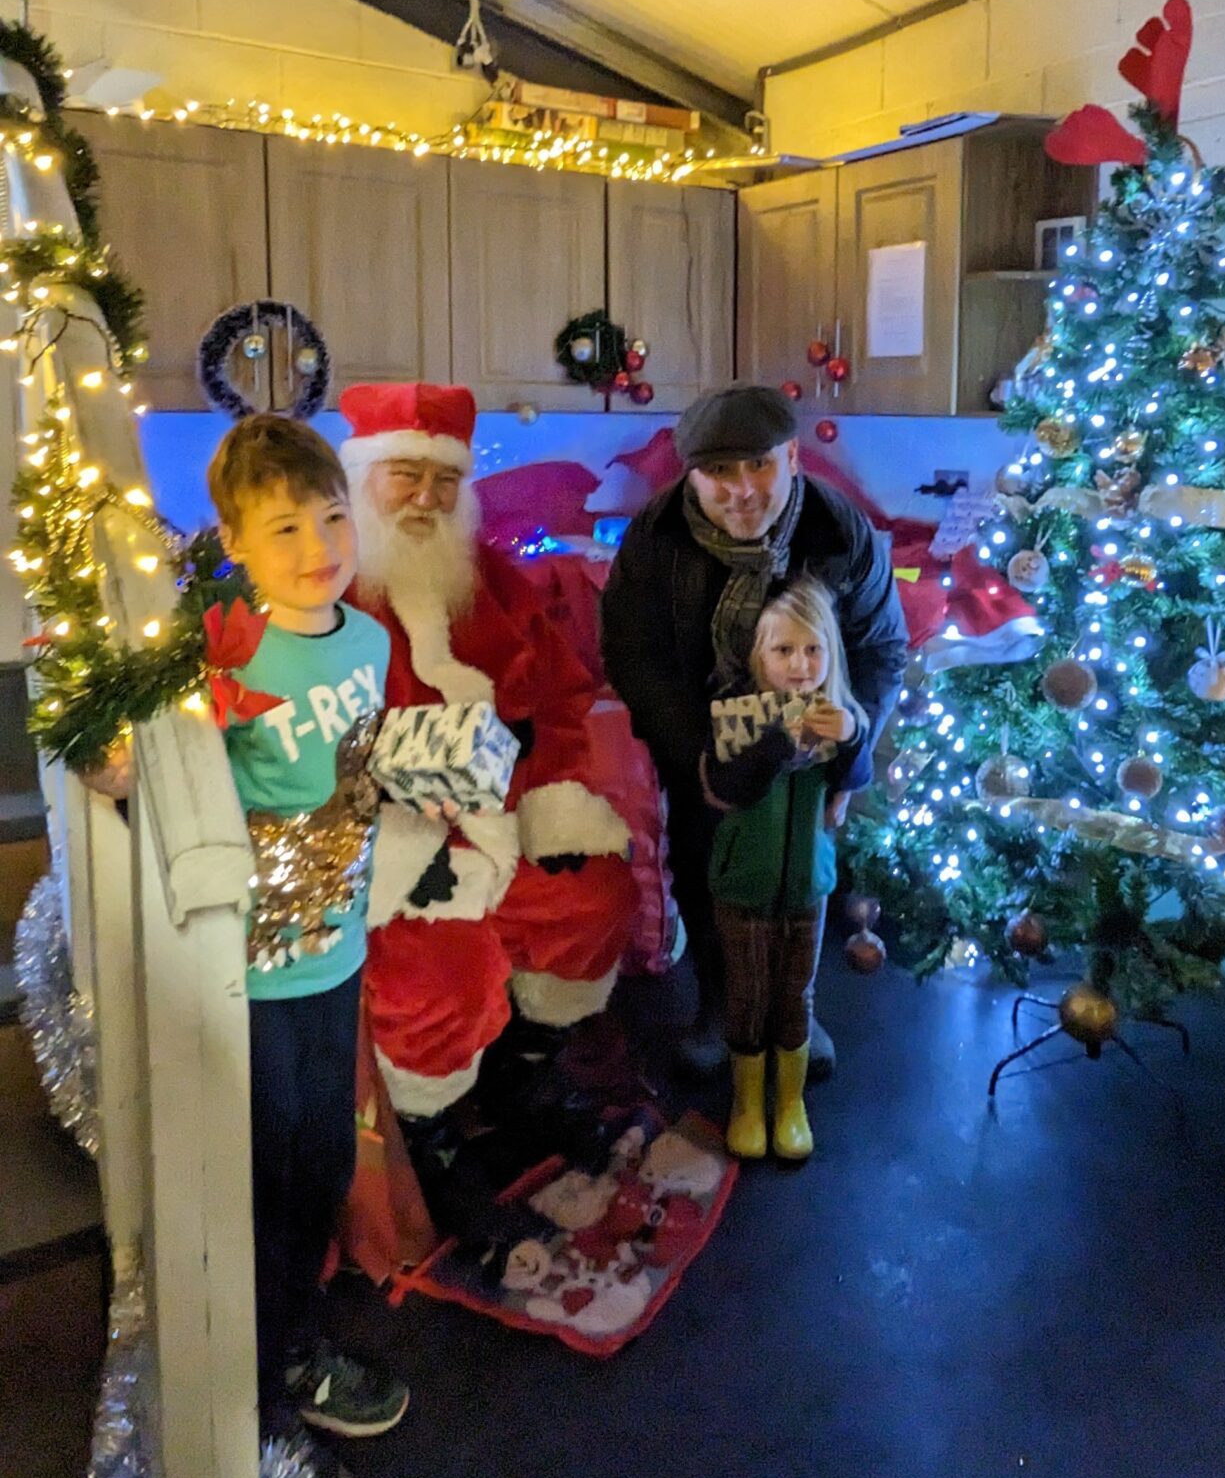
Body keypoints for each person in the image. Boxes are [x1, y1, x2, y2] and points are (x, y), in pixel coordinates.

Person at [207, 413, 411, 1478]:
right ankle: (248, 1409)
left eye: (332, 516)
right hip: (248, 971)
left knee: (323, 1164)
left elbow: (358, 776)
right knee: (259, 1183)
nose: (317, 545)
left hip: (335, 954)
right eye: (283, 526)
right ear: (235, 540)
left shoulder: (368, 643)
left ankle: (292, 1353)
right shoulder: (227, 649)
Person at [338, 382, 635, 1134]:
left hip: (504, 820)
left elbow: (562, 696)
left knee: (595, 897)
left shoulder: (496, 583)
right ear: (364, 477)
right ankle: (427, 1125)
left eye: (445, 479)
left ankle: (529, 1064)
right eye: (406, 474)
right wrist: (398, 844)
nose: (426, 497)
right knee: (440, 979)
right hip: (395, 855)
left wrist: (554, 796)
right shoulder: (327, 592)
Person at [600, 383, 908, 1077]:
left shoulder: (839, 531)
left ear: (792, 457)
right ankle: (720, 1007)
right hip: (702, 744)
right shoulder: (656, 536)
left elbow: (882, 647)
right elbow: (631, 652)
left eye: (759, 465)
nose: (742, 490)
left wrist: (850, 746)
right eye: (719, 471)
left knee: (802, 884)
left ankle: (794, 1013)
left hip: (811, 756)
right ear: (692, 475)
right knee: (706, 876)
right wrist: (695, 758)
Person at [705, 580, 873, 1161]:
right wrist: (777, 745)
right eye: (784, 651)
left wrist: (851, 737)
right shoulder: (737, 713)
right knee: (747, 995)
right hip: (743, 885)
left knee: (796, 994)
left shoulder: (838, 712)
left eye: (812, 650)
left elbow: (855, 778)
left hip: (808, 885)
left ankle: (790, 1101)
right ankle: (748, 1102)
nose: (800, 665)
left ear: (830, 654)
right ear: (760, 655)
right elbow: (728, 786)